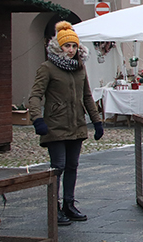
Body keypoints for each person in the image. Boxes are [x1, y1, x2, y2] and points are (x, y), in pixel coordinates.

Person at [27, 21, 103, 227]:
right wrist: (37, 119)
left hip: (76, 125)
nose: (70, 50)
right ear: (58, 47)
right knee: (57, 167)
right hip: (55, 125)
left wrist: (96, 122)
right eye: (67, 46)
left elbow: (87, 96)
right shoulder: (47, 68)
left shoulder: (79, 68)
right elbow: (35, 96)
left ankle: (69, 204)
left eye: (74, 46)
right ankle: (55, 207)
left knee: (72, 166)